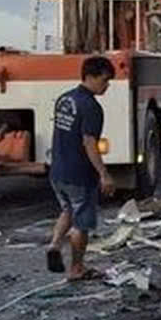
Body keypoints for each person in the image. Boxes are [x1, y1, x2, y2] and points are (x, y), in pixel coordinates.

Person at [46, 56, 116, 281]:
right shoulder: (91, 107)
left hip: (58, 170)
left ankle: (54, 245)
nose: (107, 86)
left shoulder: (64, 99)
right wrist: (104, 174)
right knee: (81, 222)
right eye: (105, 80)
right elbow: (89, 142)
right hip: (79, 173)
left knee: (67, 210)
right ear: (91, 76)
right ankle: (77, 267)